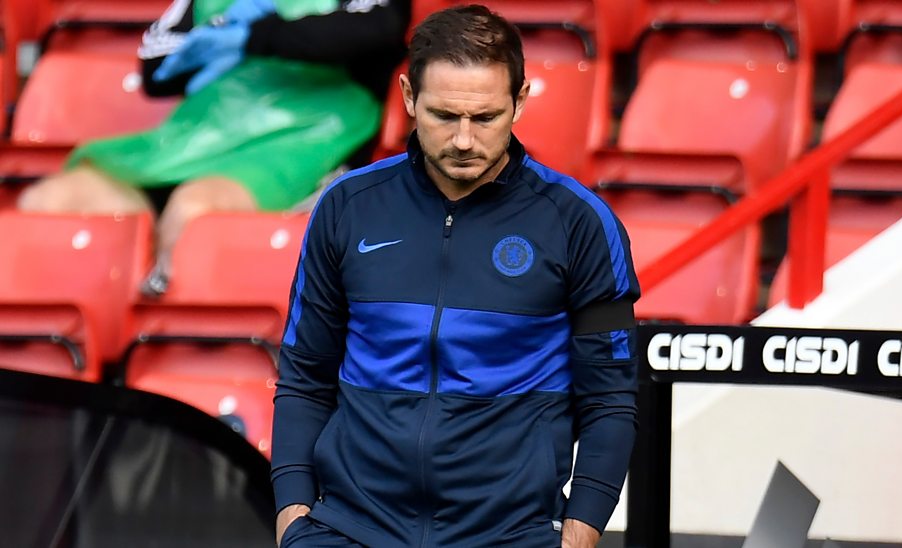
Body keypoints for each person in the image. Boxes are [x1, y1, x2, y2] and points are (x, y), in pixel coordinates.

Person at [272, 4, 641, 548]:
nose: (464, 140)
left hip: (512, 536)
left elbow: (610, 397)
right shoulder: (347, 207)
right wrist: (293, 515)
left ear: (519, 101)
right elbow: (305, 375)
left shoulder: (579, 223)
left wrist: (581, 530)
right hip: (348, 529)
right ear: (408, 97)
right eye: (444, 115)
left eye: (485, 118)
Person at [16, 0, 410, 296]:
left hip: (305, 138)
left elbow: (376, 29)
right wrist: (217, 31)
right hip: (194, 140)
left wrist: (260, 36)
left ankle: (168, 351)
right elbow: (155, 63)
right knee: (50, 201)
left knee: (195, 213)